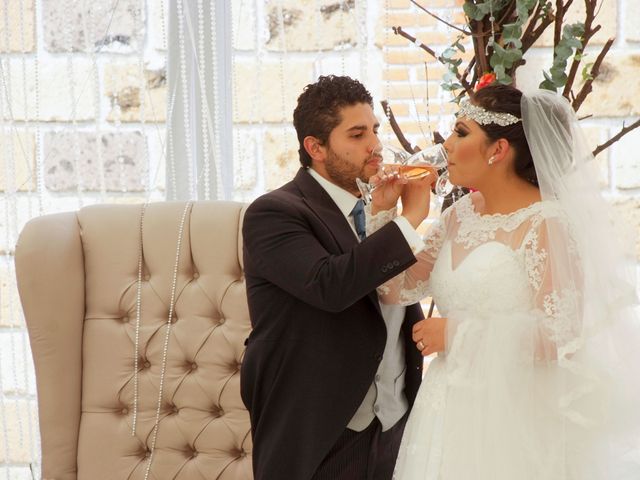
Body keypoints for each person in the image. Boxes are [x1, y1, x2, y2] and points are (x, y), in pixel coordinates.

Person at [367, 83, 640, 479]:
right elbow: (394, 289)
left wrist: (458, 335)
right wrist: (384, 215)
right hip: (447, 409)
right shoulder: (459, 215)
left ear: (498, 150)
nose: (447, 144)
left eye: (461, 132)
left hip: (514, 419)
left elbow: (561, 334)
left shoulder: (549, 222)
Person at [240, 75, 435, 480]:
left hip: (396, 427)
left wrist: (388, 220)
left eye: (375, 131)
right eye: (358, 134)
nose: (376, 146)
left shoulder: (378, 211)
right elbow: (330, 285)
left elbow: (392, 296)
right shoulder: (275, 213)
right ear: (316, 148)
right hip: (323, 436)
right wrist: (410, 220)